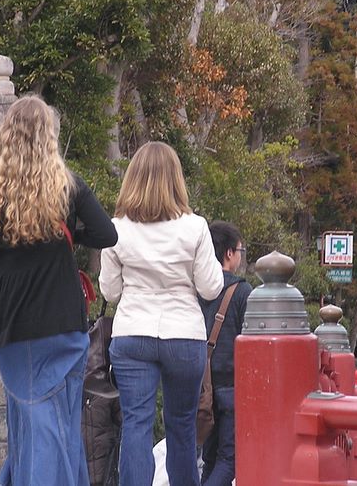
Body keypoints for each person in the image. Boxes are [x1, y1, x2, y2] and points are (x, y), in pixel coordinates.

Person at [0, 96, 118, 486]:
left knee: (34, 425)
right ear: (48, 137)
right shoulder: (68, 186)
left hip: (16, 324)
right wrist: (66, 241)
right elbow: (107, 233)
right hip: (66, 321)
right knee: (63, 427)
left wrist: (14, 265)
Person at [99, 141, 224, 486]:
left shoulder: (117, 228)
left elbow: (110, 291)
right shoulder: (195, 227)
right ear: (176, 179)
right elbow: (212, 287)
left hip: (133, 333)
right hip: (184, 335)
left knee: (136, 423)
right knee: (182, 425)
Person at [199, 221, 253, 486]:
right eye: (240, 251)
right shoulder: (242, 291)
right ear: (229, 253)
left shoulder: (196, 288)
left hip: (202, 386)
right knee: (228, 461)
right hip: (232, 388)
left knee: (209, 460)